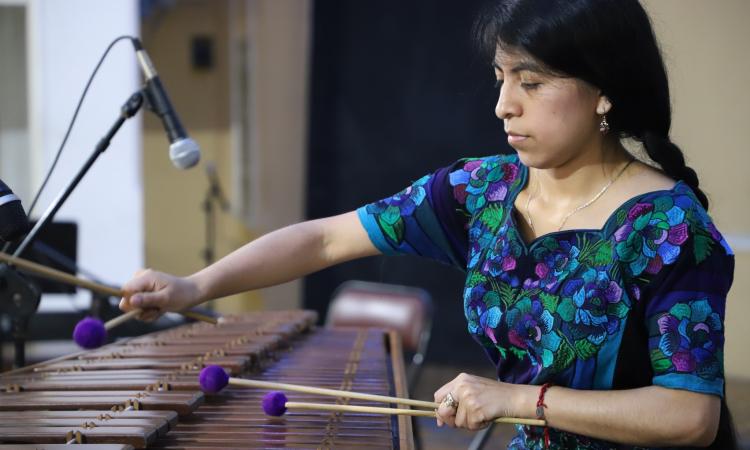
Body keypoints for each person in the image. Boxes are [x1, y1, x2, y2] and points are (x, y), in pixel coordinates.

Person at [120, 0, 737, 448]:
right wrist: (193, 288)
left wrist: (520, 400)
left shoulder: (667, 227)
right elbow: (326, 237)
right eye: (501, 78)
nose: (503, 105)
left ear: (604, 93)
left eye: (531, 82)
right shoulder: (481, 193)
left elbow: (689, 416)